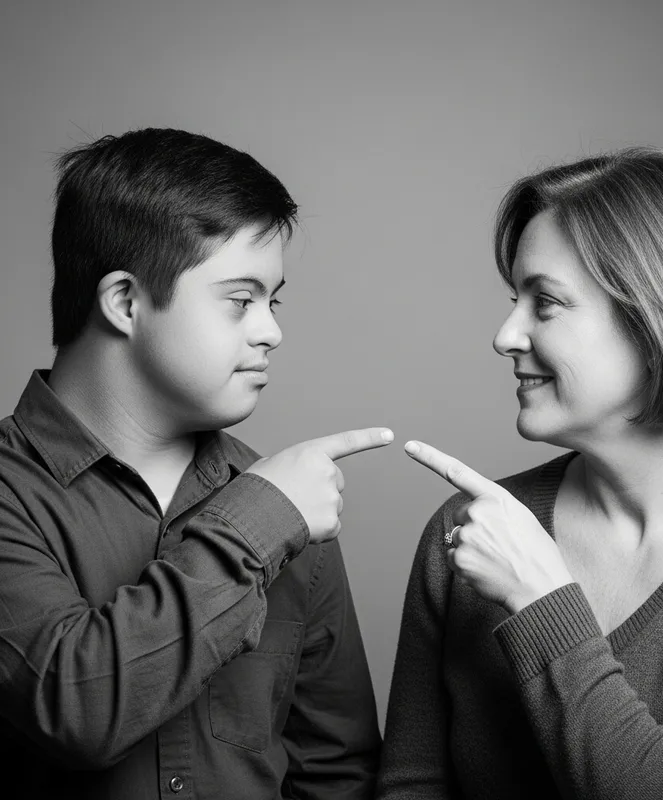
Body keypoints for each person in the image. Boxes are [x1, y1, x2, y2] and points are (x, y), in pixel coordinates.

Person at [377, 147, 663, 799]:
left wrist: (543, 604)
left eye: (543, 303)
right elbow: (412, 784)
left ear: (659, 321)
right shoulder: (469, 534)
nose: (505, 335)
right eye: (514, 298)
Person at [0, 127, 393, 800]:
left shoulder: (290, 510)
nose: (271, 330)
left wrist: (274, 516)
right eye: (241, 300)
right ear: (125, 302)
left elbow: (336, 772)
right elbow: (76, 710)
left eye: (274, 301)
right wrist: (257, 526)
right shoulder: (273, 510)